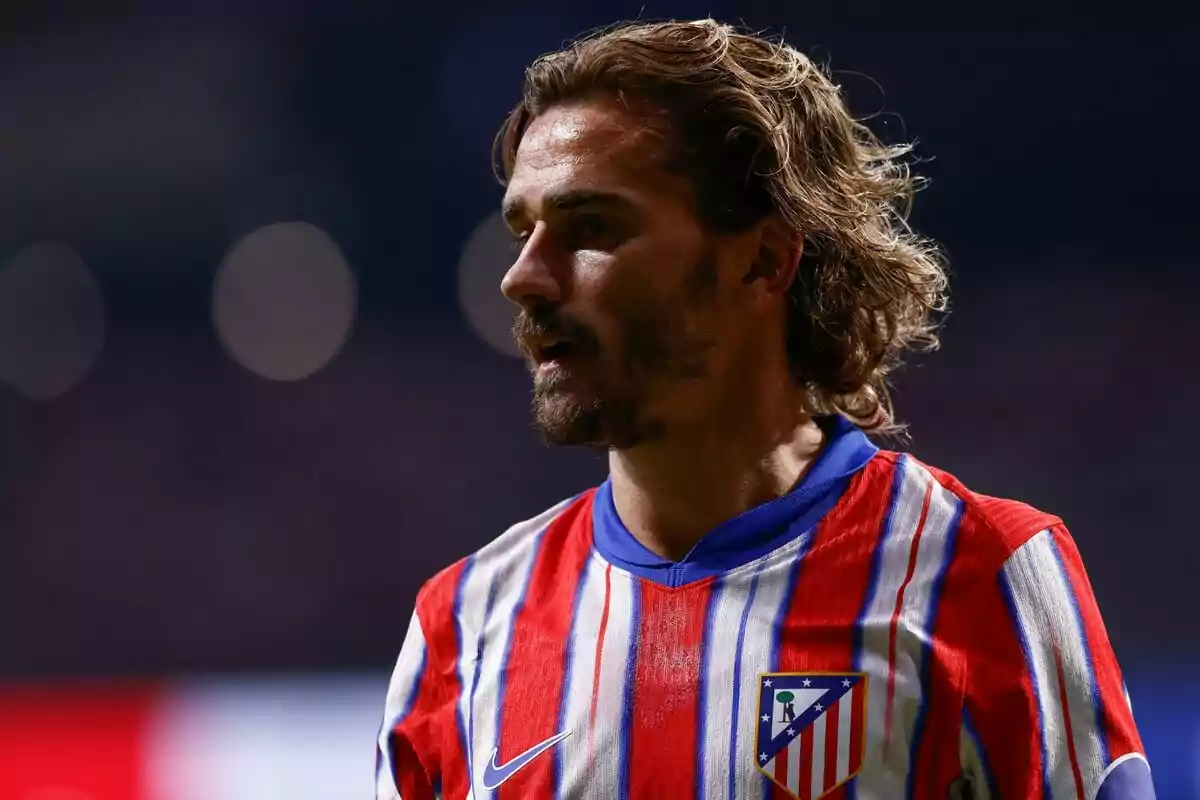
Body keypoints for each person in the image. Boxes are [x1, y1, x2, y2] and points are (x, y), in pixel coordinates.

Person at [377, 19, 1153, 800]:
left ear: (764, 260)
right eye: (523, 229)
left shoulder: (982, 570)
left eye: (592, 228)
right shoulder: (465, 624)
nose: (523, 277)